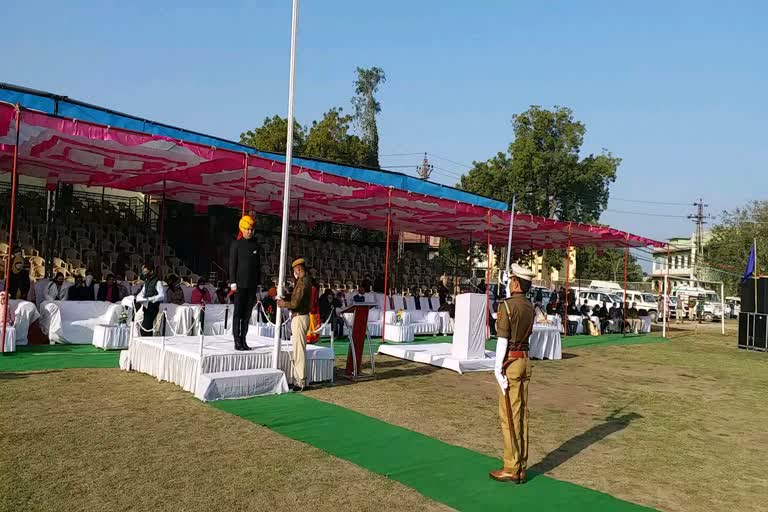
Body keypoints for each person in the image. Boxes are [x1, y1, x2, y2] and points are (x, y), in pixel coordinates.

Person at [491, 264, 535, 484]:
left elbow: (502, 340)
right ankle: (521, 464)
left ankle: (512, 466)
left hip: (511, 361)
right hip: (525, 360)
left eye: (511, 280)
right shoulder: (530, 306)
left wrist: (498, 368)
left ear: (516, 283)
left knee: (509, 415)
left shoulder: (507, 306)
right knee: (522, 414)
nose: (509, 283)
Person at [278, 258, 312, 391]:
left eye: (295, 271)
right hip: (301, 317)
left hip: (300, 317)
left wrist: (283, 304)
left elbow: (295, 303)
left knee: (299, 351)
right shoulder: (304, 281)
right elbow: (295, 297)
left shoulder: (303, 282)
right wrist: (286, 297)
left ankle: (300, 381)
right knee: (299, 349)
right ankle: (302, 379)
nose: (294, 273)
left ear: (298, 269)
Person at [229, 215, 261, 351]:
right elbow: (232, 264)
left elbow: (258, 266)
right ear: (242, 229)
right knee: (238, 313)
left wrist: (258, 285)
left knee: (247, 315)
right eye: (247, 229)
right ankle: (236, 340)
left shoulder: (256, 244)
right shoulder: (236, 244)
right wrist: (232, 282)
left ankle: (244, 339)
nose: (250, 231)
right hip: (239, 285)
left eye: (251, 229)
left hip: (251, 285)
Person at [136, 263, 165, 336]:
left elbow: (162, 295)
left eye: (146, 272)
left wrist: (150, 299)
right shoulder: (146, 281)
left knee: (145, 327)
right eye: (144, 272)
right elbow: (142, 292)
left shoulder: (157, 282)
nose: (144, 274)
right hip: (145, 306)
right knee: (140, 323)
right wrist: (138, 297)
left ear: (151, 271)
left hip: (153, 307)